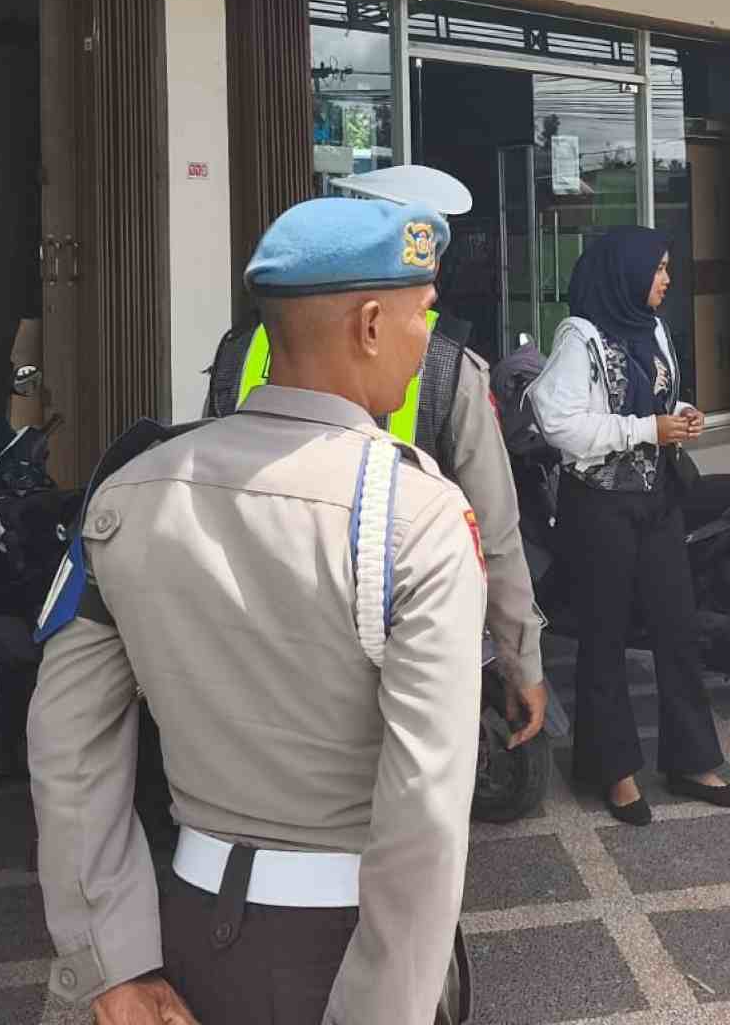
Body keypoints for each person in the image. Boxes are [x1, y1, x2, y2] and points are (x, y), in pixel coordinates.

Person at [30, 197, 485, 1025]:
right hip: (346, 945)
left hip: (185, 932)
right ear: (371, 325)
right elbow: (424, 805)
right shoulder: (415, 515)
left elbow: (68, 748)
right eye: (423, 314)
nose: (429, 340)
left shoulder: (129, 491)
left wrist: (110, 962)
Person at [207, 164, 546, 755]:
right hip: (397, 651)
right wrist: (522, 658)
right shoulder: (449, 364)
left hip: (259, 644)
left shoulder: (239, 350)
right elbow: (494, 531)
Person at [527, 226, 730, 825]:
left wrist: (681, 415)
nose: (667, 280)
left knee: (678, 627)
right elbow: (559, 424)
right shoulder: (581, 337)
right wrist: (647, 430)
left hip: (657, 498)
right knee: (605, 635)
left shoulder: (652, 328)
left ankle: (692, 761)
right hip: (600, 507)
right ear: (625, 272)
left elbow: (659, 397)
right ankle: (614, 771)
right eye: (658, 269)